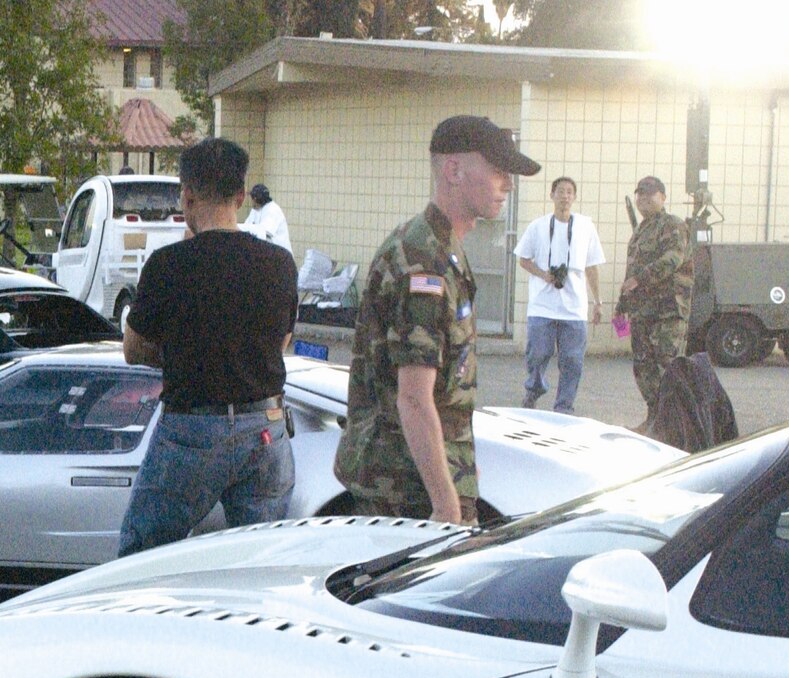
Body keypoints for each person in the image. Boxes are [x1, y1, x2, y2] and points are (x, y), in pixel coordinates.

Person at [336, 115, 540, 524]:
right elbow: (412, 397)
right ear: (454, 170)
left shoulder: (441, 246)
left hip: (417, 479)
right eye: (499, 171)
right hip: (407, 491)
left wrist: (460, 467)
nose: (509, 184)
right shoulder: (422, 261)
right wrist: (446, 503)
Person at [116, 138, 299, 557]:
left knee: (141, 555)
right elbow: (283, 341)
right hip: (265, 427)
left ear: (187, 194)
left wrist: (183, 348)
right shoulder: (279, 263)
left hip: (192, 431)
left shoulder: (167, 265)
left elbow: (133, 349)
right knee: (259, 561)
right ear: (240, 196)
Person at [514, 175, 605, 414]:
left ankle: (564, 406)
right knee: (537, 354)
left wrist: (598, 302)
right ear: (551, 195)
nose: (565, 196)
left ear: (574, 197)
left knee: (572, 361)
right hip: (542, 304)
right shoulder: (538, 226)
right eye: (560, 191)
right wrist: (543, 274)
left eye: (569, 192)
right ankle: (534, 388)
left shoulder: (585, 226)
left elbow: (592, 266)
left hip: (574, 307)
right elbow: (523, 259)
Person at [614, 175, 693, 430]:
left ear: (663, 197)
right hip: (642, 313)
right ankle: (655, 420)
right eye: (639, 194)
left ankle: (676, 425)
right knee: (644, 369)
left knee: (667, 369)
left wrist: (641, 278)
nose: (643, 199)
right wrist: (621, 308)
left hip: (667, 312)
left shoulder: (673, 225)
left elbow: (673, 259)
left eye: (650, 194)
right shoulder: (641, 230)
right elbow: (631, 273)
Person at [243, 184, 292, 256]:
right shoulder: (255, 210)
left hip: (281, 256)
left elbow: (264, 232)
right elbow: (246, 227)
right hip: (269, 253)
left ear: (255, 199)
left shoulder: (273, 210)